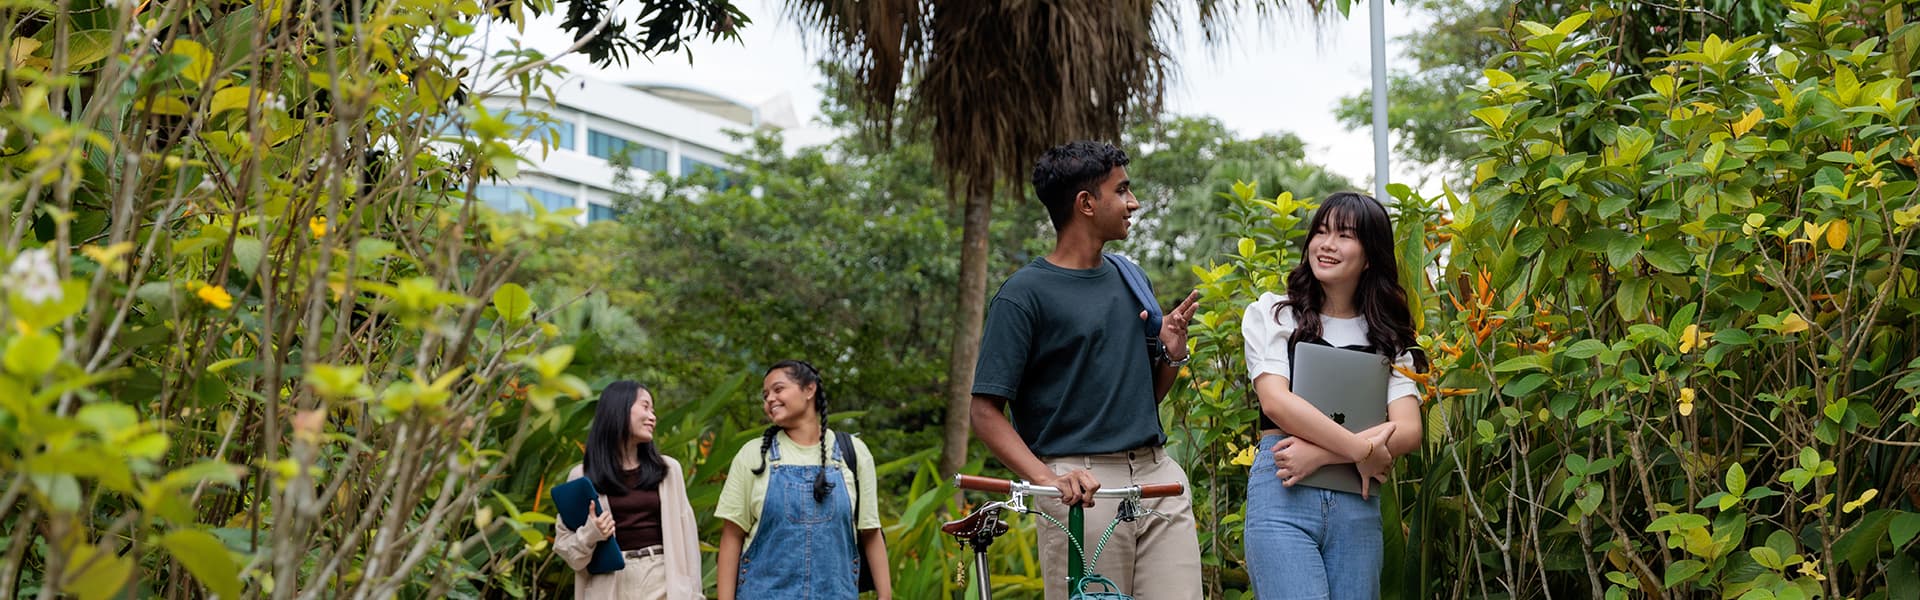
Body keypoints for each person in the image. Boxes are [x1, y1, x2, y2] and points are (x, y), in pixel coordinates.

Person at [970, 140, 1204, 599]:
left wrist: (1172, 355)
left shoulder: (1130, 276)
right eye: (1122, 190)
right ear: (1086, 204)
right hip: (1082, 488)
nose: (1133, 203)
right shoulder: (1023, 295)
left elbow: (1140, 398)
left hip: (1158, 478)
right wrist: (1048, 480)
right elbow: (984, 412)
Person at [1240, 191, 1427, 599]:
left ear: (1370, 255)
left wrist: (1325, 454)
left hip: (1357, 505)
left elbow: (1410, 429)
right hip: (1284, 492)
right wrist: (1363, 452)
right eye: (1321, 232)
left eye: (1344, 236)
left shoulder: (1388, 335)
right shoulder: (1275, 314)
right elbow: (1276, 402)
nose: (1326, 244)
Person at [716, 360, 891, 600]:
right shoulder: (753, 455)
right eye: (765, 395)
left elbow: (870, 532)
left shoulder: (853, 453)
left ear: (809, 389)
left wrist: (885, 597)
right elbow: (731, 538)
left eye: (778, 389)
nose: (769, 399)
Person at [553, 381, 704, 600]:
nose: (652, 416)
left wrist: (695, 594)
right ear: (619, 409)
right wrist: (591, 533)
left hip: (663, 581)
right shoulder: (582, 476)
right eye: (645, 407)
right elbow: (569, 552)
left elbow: (688, 539)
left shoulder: (669, 470)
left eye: (653, 410)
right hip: (608, 585)